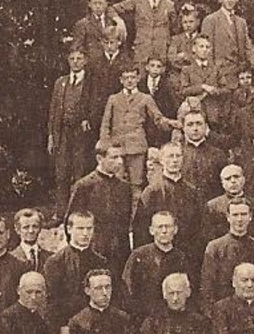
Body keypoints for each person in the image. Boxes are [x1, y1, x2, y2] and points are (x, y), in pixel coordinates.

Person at [99, 64, 178, 194]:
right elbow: (105, 123)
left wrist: (171, 123)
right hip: (116, 147)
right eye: (126, 78)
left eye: (132, 77)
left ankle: (136, 213)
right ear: (121, 80)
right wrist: (105, 145)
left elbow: (157, 118)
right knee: (115, 183)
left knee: (136, 185)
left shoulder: (145, 98)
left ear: (138, 79)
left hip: (137, 146)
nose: (129, 81)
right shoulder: (113, 99)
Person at [67, 142, 135, 266]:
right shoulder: (84, 186)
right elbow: (71, 221)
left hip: (119, 253)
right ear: (99, 158)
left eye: (121, 157)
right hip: (93, 252)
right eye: (114, 157)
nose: (120, 162)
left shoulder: (125, 187)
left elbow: (126, 223)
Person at [48, 47, 99, 211]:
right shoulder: (61, 83)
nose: (75, 62)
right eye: (72, 59)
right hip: (63, 133)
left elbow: (95, 107)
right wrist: (51, 135)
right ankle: (61, 212)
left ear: (85, 61)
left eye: (79, 58)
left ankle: (78, 211)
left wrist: (87, 119)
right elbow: (54, 111)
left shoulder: (91, 83)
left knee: (80, 172)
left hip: (81, 134)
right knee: (61, 174)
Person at [122, 210, 192, 323]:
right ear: (151, 230)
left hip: (173, 319)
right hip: (145, 319)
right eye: (160, 227)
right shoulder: (138, 256)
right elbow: (127, 289)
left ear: (175, 230)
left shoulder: (181, 257)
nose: (164, 231)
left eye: (168, 227)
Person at [202, 0, 254, 77]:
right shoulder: (211, 20)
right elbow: (206, 48)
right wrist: (211, 72)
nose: (229, 0)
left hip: (240, 71)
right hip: (221, 71)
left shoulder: (241, 22)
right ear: (220, 0)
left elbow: (248, 46)